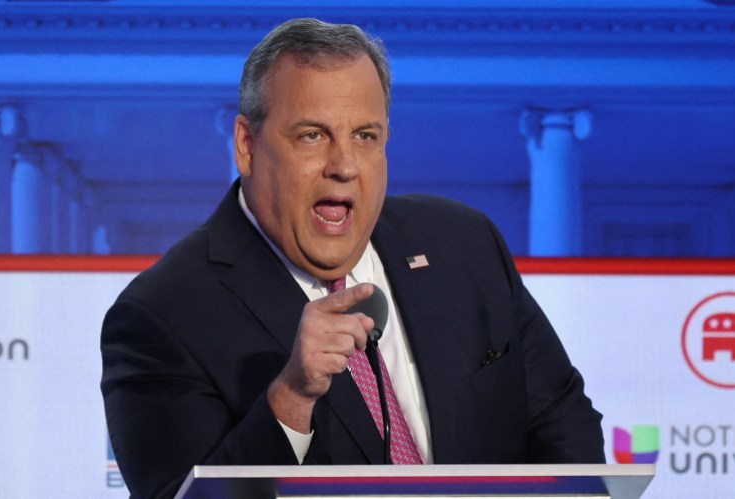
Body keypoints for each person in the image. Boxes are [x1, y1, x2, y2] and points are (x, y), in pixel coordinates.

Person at [101, 17, 605, 499]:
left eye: (365, 136)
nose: (343, 166)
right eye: (312, 136)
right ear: (247, 145)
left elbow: (563, 424)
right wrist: (290, 401)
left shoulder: (463, 244)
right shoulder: (160, 317)